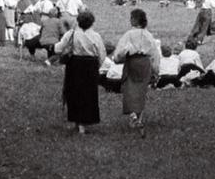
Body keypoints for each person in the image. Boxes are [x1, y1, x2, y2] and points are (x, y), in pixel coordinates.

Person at [54, 10, 106, 135]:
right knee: (89, 94)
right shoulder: (96, 36)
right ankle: (84, 122)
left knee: (74, 93)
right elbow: (102, 54)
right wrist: (96, 66)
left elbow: (58, 48)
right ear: (92, 23)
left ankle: (77, 121)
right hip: (90, 65)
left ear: (78, 22)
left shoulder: (71, 34)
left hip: (75, 65)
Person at [112, 8, 160, 136]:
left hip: (132, 63)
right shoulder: (148, 35)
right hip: (145, 64)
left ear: (134, 20)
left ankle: (133, 114)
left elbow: (120, 51)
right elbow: (155, 54)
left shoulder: (129, 35)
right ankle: (139, 117)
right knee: (141, 90)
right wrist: (156, 70)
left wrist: (117, 59)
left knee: (129, 88)